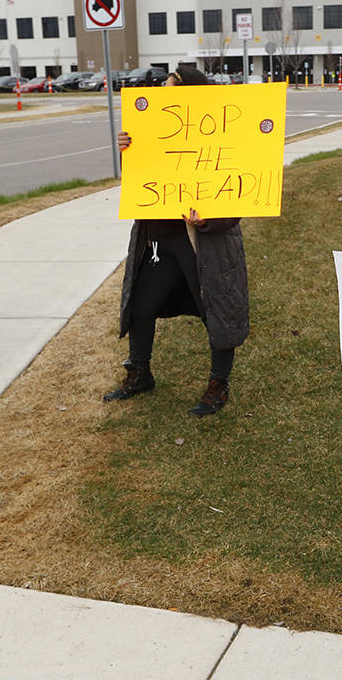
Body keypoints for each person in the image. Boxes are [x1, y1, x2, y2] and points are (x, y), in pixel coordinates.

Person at [104, 64, 250, 416]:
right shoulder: (155, 128)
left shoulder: (220, 137)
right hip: (157, 242)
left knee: (215, 313)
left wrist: (209, 219)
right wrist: (130, 149)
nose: (163, 96)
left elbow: (239, 198)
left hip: (201, 245)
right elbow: (143, 179)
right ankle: (139, 372)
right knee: (140, 306)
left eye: (172, 90)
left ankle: (219, 383)